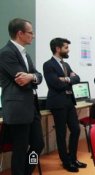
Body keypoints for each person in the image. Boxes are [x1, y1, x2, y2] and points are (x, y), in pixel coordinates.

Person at [0, 18, 44, 175]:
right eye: (31, 33)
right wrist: (33, 78)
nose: (33, 36)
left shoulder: (25, 54)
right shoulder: (6, 53)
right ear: (20, 33)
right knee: (20, 149)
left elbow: (38, 76)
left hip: (31, 107)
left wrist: (32, 76)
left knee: (38, 145)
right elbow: (22, 81)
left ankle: (26, 172)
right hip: (18, 109)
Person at [43, 38, 87, 172]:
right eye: (66, 47)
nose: (68, 50)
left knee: (76, 129)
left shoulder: (66, 65)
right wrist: (69, 79)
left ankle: (73, 158)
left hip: (69, 101)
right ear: (58, 49)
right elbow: (55, 84)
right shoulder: (48, 65)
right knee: (61, 133)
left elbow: (77, 78)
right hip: (58, 103)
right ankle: (66, 161)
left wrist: (65, 78)